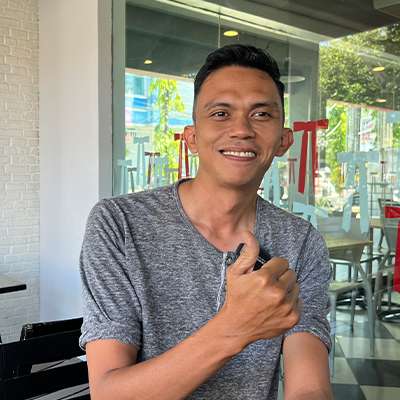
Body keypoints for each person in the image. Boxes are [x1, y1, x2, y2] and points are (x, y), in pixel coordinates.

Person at [79, 44, 332, 400]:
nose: (241, 129)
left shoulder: (300, 241)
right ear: (192, 138)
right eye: (220, 113)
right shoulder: (119, 225)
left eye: (261, 114)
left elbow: (309, 387)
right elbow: (109, 394)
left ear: (283, 140)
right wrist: (234, 328)